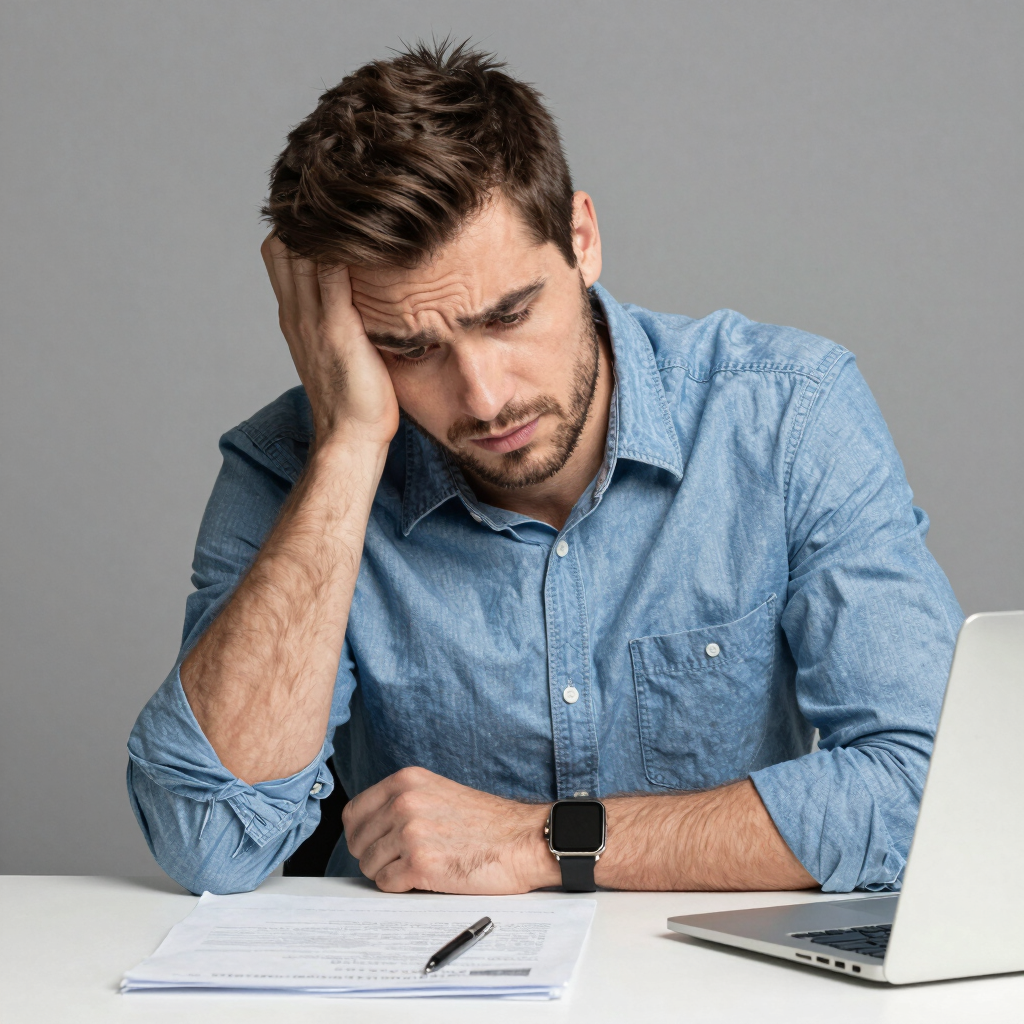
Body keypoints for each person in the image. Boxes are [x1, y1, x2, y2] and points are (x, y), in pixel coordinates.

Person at [126, 41, 962, 897]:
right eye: (409, 349)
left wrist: (542, 843)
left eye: (510, 316)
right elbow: (209, 840)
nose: (484, 397)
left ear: (582, 238)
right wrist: (346, 448)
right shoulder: (291, 470)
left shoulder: (787, 417)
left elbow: (935, 797)